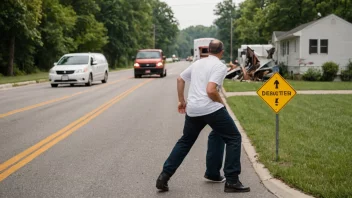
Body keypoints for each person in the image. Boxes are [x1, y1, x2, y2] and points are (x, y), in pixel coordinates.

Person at [156, 39, 250, 193]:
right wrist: (222, 104)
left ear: (208, 50)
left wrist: (181, 101)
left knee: (187, 141)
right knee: (234, 137)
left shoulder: (198, 63)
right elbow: (211, 90)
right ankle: (232, 180)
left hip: (193, 109)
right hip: (210, 108)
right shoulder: (219, 66)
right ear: (222, 51)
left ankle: (164, 176)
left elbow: (180, 79)